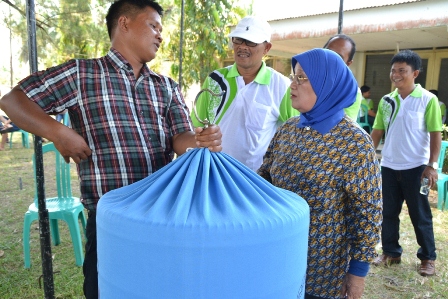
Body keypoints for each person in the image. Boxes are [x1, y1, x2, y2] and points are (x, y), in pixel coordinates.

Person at [0, 0, 222, 298]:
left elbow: (179, 139)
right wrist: (59, 132)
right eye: (154, 26)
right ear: (125, 23)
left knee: (160, 289)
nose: (160, 35)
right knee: (105, 290)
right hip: (110, 219)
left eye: (162, 30)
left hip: (162, 214)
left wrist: (200, 140)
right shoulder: (82, 74)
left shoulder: (166, 86)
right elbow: (14, 101)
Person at [258, 48, 382, 299]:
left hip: (323, 271)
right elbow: (265, 178)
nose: (292, 84)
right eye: (294, 76)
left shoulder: (354, 142)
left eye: (302, 78)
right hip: (278, 256)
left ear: (327, 84)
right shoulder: (289, 129)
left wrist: (357, 273)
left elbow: (368, 213)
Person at [190, 16, 299, 171]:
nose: (242, 47)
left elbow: (294, 137)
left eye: (250, 42)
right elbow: (197, 128)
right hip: (213, 173)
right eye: (238, 40)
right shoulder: (215, 80)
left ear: (267, 48)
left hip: (255, 182)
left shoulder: (282, 86)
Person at [371, 50, 441, 277]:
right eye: (393, 70)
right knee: (388, 212)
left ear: (415, 73)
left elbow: (435, 134)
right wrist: (368, 157)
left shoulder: (428, 100)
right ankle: (391, 252)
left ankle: (427, 258)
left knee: (420, 215)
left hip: (417, 168)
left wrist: (432, 165)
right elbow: (377, 131)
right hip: (389, 167)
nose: (395, 74)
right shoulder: (386, 100)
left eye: (402, 70)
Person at [323, 34, 362, 120]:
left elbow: (341, 127)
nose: (331, 58)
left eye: (338, 57)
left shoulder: (351, 92)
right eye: (328, 52)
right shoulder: (299, 82)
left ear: (348, 64)